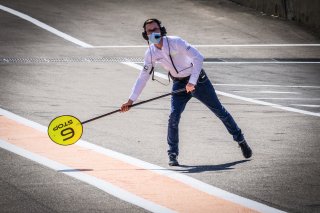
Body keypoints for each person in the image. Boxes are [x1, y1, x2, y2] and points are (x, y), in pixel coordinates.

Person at [121, 18, 252, 166]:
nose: (153, 32)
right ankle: (172, 154)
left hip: (198, 81)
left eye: (156, 29)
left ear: (161, 30)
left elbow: (198, 57)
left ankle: (240, 140)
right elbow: (143, 77)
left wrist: (192, 82)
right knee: (173, 116)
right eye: (149, 31)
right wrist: (131, 100)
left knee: (219, 111)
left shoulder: (176, 42)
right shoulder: (150, 53)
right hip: (178, 84)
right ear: (145, 35)